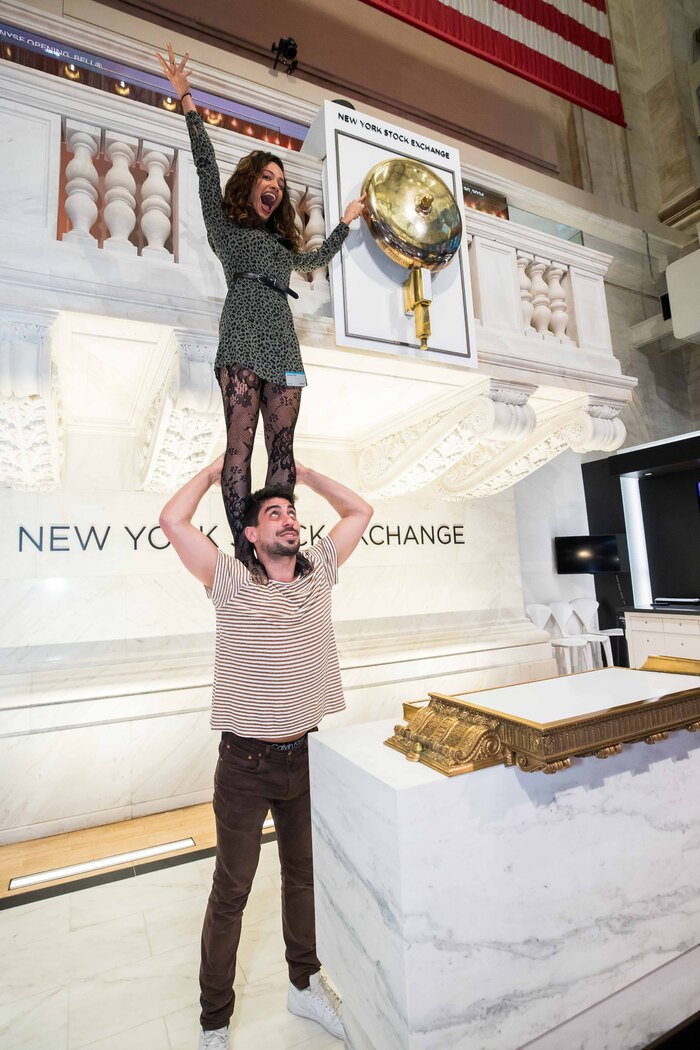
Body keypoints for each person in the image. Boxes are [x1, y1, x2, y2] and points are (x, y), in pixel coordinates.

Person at [159, 454, 373, 1050]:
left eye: (292, 515)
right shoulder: (229, 578)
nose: (289, 521)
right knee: (233, 890)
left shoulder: (320, 570)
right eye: (273, 514)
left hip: (305, 758)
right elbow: (173, 521)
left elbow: (360, 510)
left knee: (303, 878)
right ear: (251, 534)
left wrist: (306, 478)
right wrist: (207, 476)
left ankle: (303, 986)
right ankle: (214, 1021)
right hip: (246, 766)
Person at [156, 44, 366, 565]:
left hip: (283, 338)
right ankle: (245, 551)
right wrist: (186, 99)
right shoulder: (225, 229)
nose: (274, 186)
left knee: (284, 449)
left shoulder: (282, 244)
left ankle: (280, 552)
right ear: (250, 184)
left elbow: (315, 253)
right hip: (243, 331)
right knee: (240, 449)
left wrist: (345, 222)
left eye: (280, 182)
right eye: (266, 179)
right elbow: (205, 168)